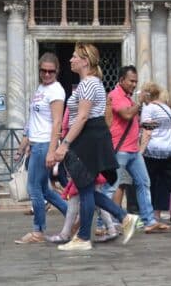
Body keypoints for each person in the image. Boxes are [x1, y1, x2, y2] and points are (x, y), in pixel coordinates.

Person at [47, 43, 137, 251]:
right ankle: (123, 218)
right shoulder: (91, 83)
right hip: (91, 136)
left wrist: (65, 144)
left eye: (74, 56)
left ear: (85, 61)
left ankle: (84, 237)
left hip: (87, 138)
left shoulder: (88, 83)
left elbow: (83, 116)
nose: (70, 60)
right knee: (85, 189)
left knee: (85, 190)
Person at [14, 53, 69, 244]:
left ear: (57, 72)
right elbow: (32, 121)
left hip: (45, 143)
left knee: (34, 188)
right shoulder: (40, 89)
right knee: (45, 190)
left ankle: (38, 231)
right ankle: (72, 215)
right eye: (43, 71)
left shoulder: (56, 91)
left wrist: (52, 150)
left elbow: (57, 123)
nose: (46, 74)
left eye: (51, 71)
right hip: (36, 143)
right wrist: (23, 146)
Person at [106, 66, 156, 230]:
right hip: (120, 149)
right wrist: (140, 102)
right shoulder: (115, 95)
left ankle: (149, 221)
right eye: (131, 81)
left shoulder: (128, 98)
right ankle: (103, 223)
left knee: (143, 182)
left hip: (133, 150)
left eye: (136, 81)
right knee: (111, 186)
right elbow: (126, 115)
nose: (134, 84)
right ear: (121, 80)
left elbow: (130, 119)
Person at [139, 81, 171, 231]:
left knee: (150, 183)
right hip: (170, 150)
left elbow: (147, 131)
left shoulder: (149, 108)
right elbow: (169, 129)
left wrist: (140, 151)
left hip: (153, 150)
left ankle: (153, 216)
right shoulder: (167, 108)